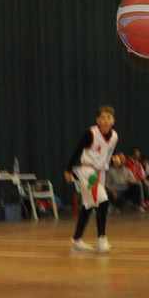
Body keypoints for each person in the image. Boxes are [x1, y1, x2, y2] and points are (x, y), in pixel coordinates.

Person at [65, 106, 119, 253]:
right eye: (102, 117)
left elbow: (107, 154)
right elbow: (77, 150)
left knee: (88, 206)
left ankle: (77, 240)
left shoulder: (114, 136)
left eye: (108, 117)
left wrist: (115, 160)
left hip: (100, 172)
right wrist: (68, 169)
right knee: (103, 200)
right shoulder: (91, 133)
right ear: (97, 120)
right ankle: (101, 239)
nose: (105, 120)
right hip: (88, 172)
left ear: (113, 121)